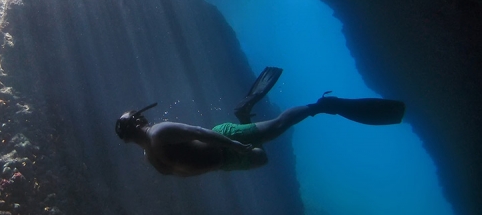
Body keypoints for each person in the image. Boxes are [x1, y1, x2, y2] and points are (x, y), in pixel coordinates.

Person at [115, 67, 405, 177]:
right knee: (263, 160)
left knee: (278, 126)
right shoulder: (149, 155)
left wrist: (233, 144)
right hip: (226, 160)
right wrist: (229, 157)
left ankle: (320, 106)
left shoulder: (160, 133)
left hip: (225, 140)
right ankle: (243, 113)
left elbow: (200, 132)